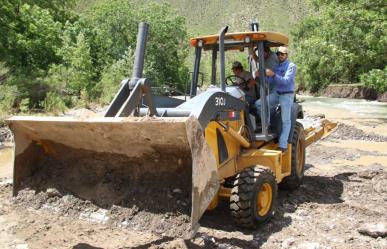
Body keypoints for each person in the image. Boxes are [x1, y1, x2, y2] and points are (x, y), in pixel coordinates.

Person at [255, 46, 297, 152]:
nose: (280, 56)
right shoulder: (278, 66)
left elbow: (286, 81)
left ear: (286, 55)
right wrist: (261, 76)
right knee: (259, 104)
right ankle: (267, 125)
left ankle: (283, 145)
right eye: (278, 54)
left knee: (285, 120)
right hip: (277, 94)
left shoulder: (291, 66)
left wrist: (273, 74)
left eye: (282, 54)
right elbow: (271, 81)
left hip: (287, 95)